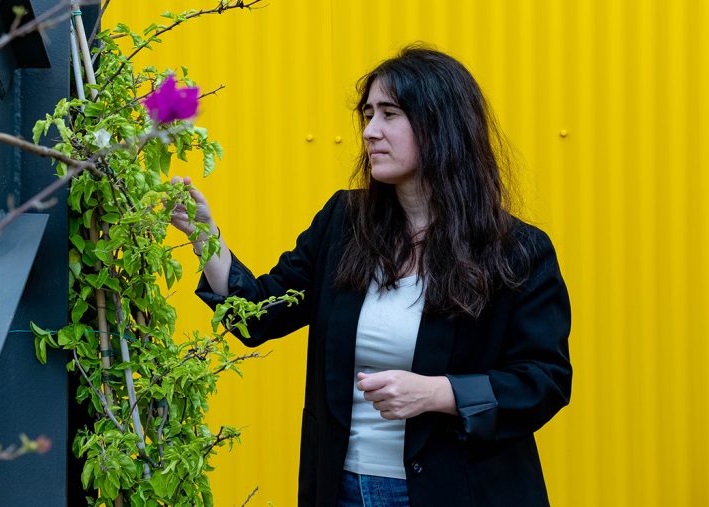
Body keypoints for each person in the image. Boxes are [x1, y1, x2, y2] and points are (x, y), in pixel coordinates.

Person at [170, 45, 572, 507]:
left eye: (389, 114)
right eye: (367, 114)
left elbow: (543, 381)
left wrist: (437, 393)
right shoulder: (343, 223)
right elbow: (260, 315)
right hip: (344, 489)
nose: (369, 132)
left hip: (462, 491)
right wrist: (205, 237)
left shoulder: (517, 250)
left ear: (442, 125)